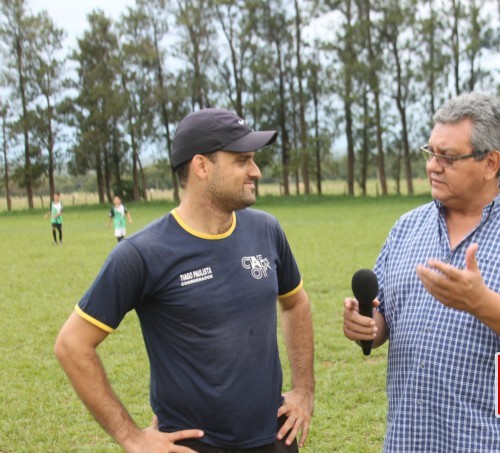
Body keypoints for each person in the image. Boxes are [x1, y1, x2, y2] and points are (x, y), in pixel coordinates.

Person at [55, 108, 315, 453]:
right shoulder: (142, 254)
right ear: (202, 167)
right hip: (193, 446)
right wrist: (131, 437)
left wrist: (303, 390)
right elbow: (72, 345)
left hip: (274, 439)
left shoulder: (266, 230)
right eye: (242, 160)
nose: (256, 171)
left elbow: (296, 303)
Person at [343, 93, 500, 452]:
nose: (433, 166)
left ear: (490, 163)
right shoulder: (407, 228)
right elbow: (382, 318)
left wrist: (481, 303)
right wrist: (366, 326)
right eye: (431, 152)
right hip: (410, 441)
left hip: (497, 444)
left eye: (448, 157)